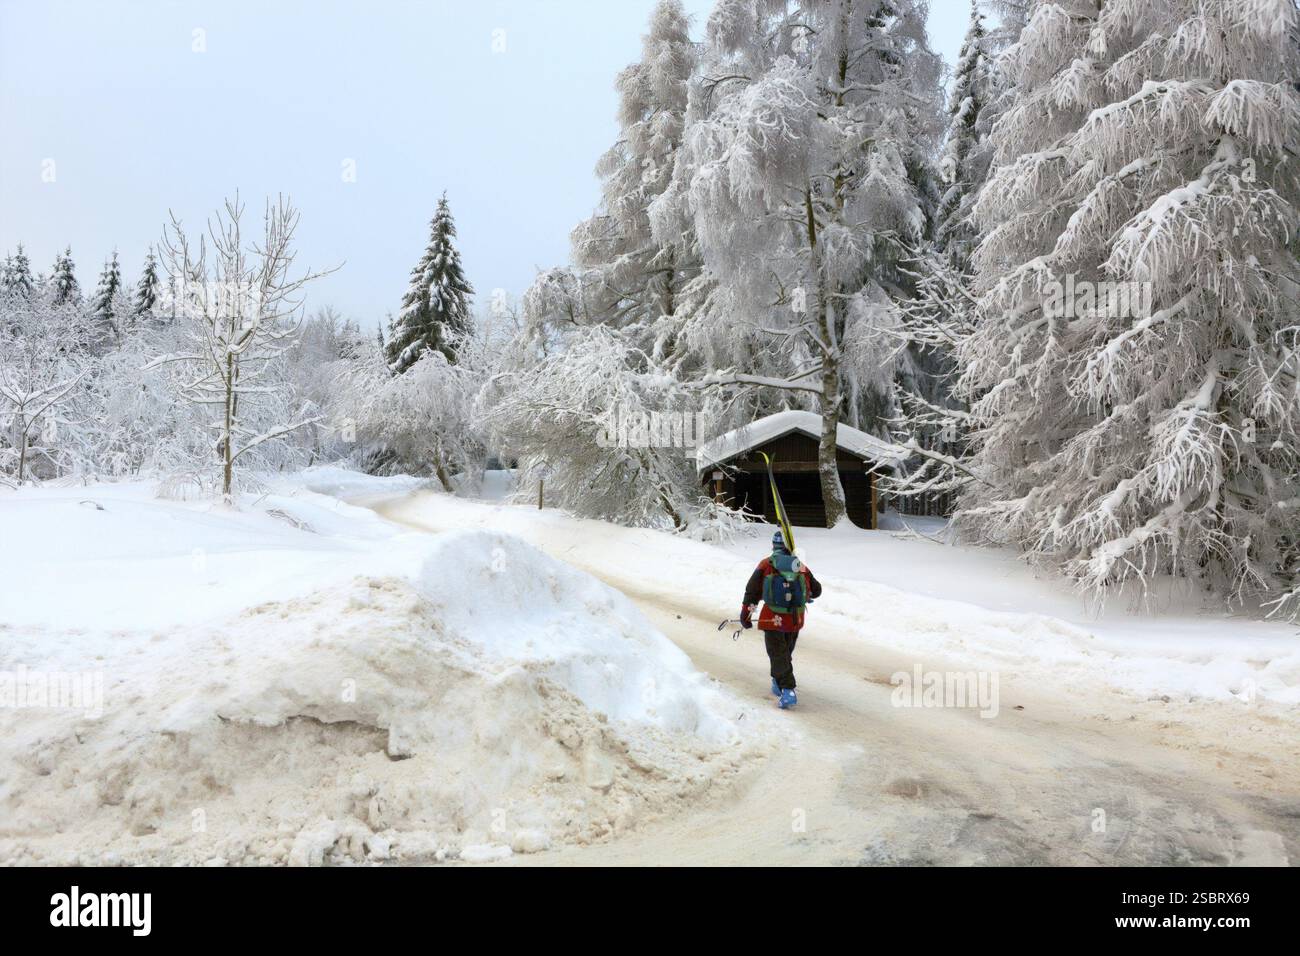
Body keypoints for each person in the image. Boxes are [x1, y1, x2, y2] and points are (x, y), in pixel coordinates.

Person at [740, 531, 821, 709]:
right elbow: (817, 590)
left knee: (778, 654)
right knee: (784, 654)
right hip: (795, 619)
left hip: (772, 619)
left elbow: (752, 591)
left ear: (773, 545)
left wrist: (746, 614)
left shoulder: (766, 564)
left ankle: (787, 689)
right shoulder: (798, 565)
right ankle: (778, 682)